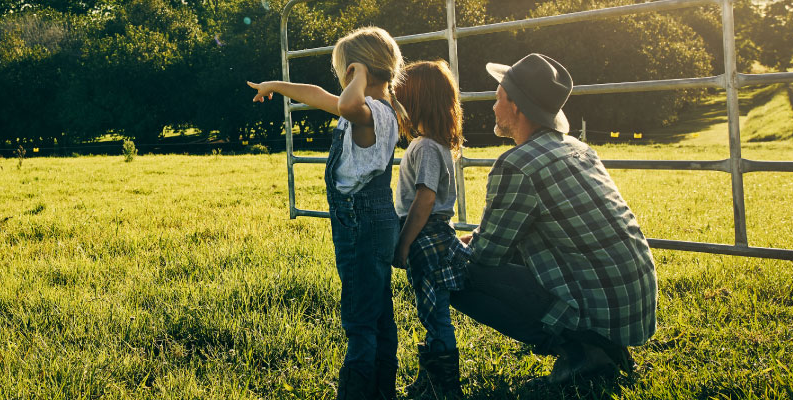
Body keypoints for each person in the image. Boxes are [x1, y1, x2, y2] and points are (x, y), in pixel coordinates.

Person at [453, 53, 659, 386]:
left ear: (516, 106)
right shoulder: (577, 148)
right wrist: (473, 240)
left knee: (452, 271)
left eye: (498, 98)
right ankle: (602, 346)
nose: (493, 106)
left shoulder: (516, 164)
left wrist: (439, 248)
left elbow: (486, 255)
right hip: (631, 303)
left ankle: (582, 350)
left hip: (599, 309)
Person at [248, 26, 404, 399]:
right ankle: (383, 391)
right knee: (378, 311)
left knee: (359, 320)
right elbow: (321, 96)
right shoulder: (375, 108)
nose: (339, 81)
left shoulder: (369, 112)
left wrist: (359, 73)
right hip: (376, 220)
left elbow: (348, 104)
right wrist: (275, 84)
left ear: (354, 71)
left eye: (343, 72)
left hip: (359, 222)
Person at [390, 60, 469, 399]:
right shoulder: (435, 145)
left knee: (435, 314)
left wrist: (403, 243)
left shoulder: (424, 147)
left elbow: (425, 198)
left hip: (425, 237)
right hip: (434, 236)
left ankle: (444, 386)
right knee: (430, 309)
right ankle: (433, 379)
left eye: (401, 100)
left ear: (416, 103)